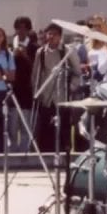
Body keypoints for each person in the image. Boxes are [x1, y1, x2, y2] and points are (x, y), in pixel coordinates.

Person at [32, 23, 75, 153]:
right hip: (46, 98)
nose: (51, 36)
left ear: (60, 36)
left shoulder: (66, 51)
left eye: (55, 34)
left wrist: (71, 86)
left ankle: (64, 157)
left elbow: (77, 73)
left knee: (63, 132)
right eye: (49, 33)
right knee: (45, 133)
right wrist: (37, 92)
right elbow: (35, 75)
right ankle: (46, 157)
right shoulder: (41, 52)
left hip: (62, 98)